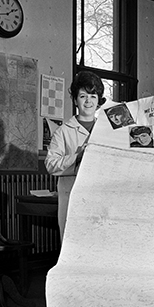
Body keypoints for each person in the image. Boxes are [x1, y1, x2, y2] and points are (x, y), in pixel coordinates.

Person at [44, 70, 106, 241]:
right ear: (75, 100)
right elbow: (50, 165)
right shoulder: (63, 132)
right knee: (74, 244)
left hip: (102, 197)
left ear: (99, 100)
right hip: (73, 197)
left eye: (93, 96)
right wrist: (77, 156)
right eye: (83, 96)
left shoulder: (107, 130)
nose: (88, 101)